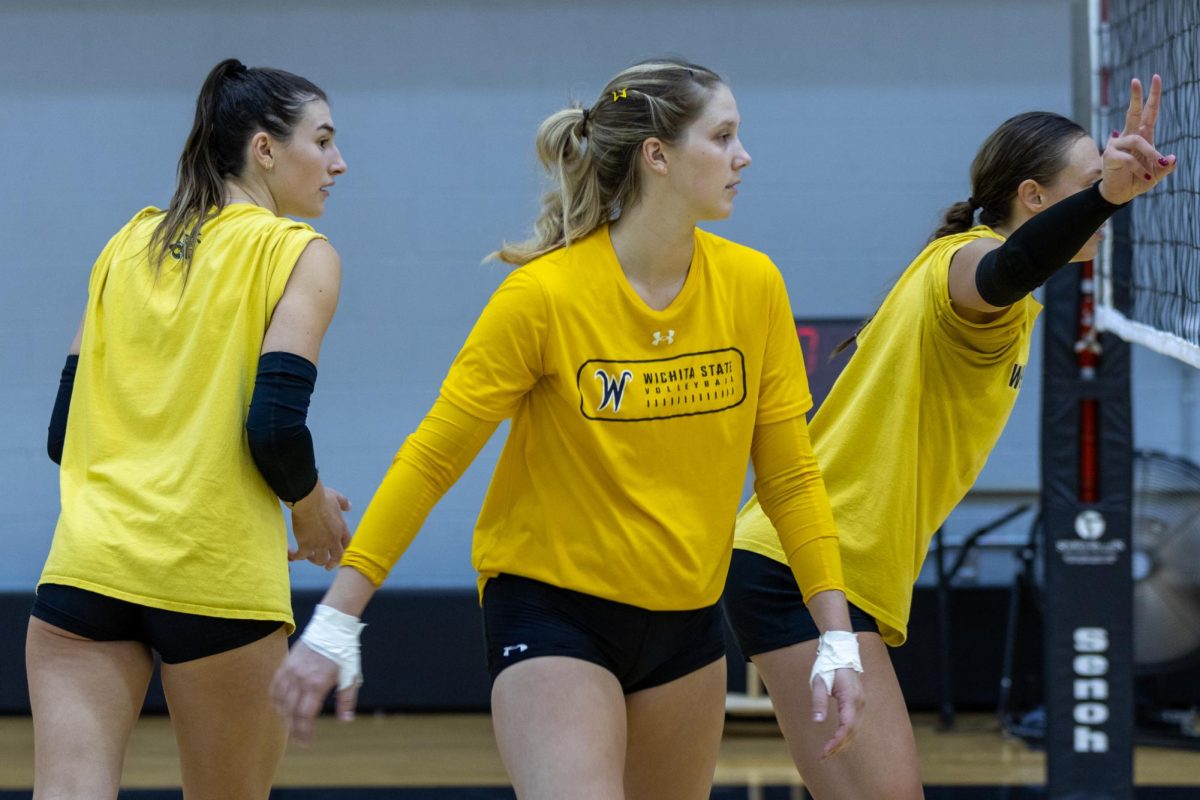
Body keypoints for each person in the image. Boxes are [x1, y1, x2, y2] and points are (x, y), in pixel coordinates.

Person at [272, 58, 865, 799]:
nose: (743, 156)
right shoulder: (542, 296)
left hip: (685, 622)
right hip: (553, 612)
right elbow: (431, 461)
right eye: (723, 136)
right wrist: (334, 623)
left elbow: (789, 476)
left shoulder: (755, 286)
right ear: (658, 156)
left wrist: (836, 636)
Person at [726, 76, 1177, 799]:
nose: (1107, 204)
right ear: (1034, 198)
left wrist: (1100, 197)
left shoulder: (982, 288)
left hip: (808, 565)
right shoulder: (967, 267)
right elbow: (1010, 269)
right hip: (802, 569)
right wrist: (1108, 198)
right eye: (1089, 185)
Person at [27, 58, 351, 799]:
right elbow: (271, 428)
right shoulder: (301, 253)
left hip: (88, 572)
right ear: (265, 149)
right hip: (217, 582)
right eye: (324, 140)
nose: (339, 162)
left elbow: (62, 436)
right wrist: (313, 513)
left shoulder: (123, 244)